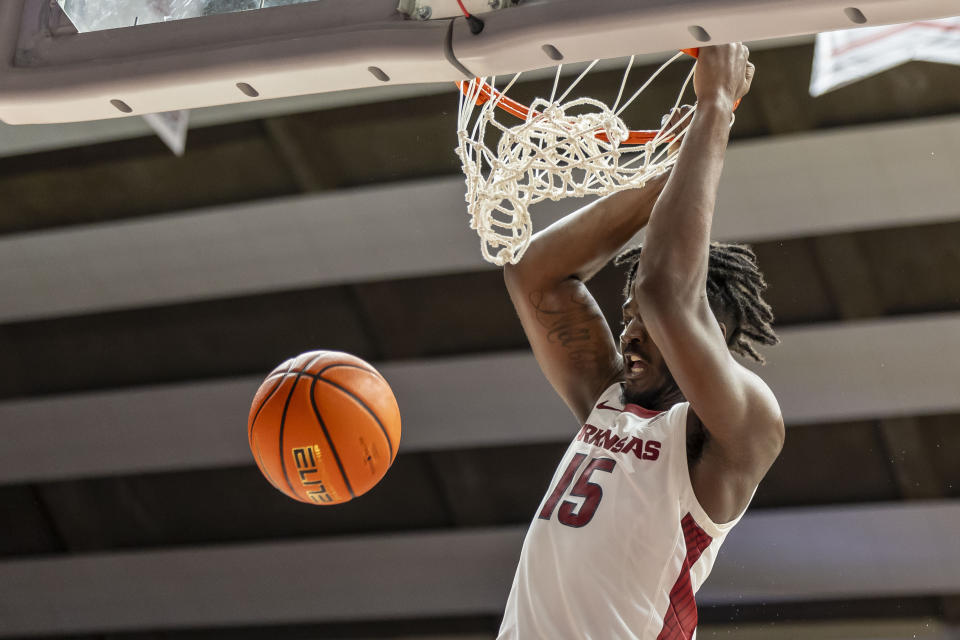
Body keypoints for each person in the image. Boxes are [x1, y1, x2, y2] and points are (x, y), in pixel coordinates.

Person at [497, 43, 784, 639]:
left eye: (643, 323)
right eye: (625, 315)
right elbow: (533, 273)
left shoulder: (744, 425)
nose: (630, 327)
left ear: (716, 335)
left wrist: (715, 110)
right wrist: (665, 173)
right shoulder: (608, 400)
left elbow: (665, 294)